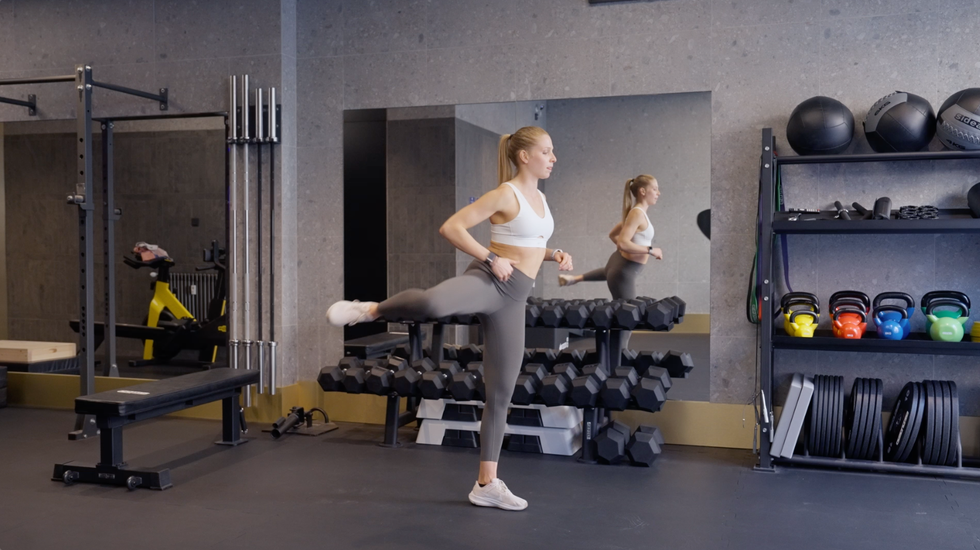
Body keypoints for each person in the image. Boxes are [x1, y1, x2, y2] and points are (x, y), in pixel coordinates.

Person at [326, 126, 573, 512]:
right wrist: (492, 258)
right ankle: (371, 309)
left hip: (514, 298)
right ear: (524, 156)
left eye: (552, 151)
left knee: (502, 392)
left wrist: (553, 253)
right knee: (432, 305)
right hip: (488, 280)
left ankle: (486, 483)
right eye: (547, 151)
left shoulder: (539, 197)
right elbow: (451, 227)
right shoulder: (504, 193)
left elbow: (528, 244)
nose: (553, 157)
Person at [557, 175, 661, 351]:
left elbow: (614, 235)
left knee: (609, 273)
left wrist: (626, 251)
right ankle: (618, 361)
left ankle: (574, 278)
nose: (658, 193)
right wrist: (650, 250)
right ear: (643, 191)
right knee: (628, 318)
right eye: (655, 189)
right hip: (624, 272)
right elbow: (621, 242)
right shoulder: (637, 213)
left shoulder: (636, 213)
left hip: (618, 265)